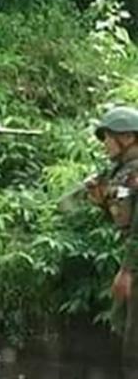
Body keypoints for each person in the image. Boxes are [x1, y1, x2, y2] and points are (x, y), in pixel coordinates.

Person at [78, 106, 138, 379]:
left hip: (134, 263)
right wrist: (102, 201)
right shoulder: (123, 172)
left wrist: (126, 270)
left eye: (108, 137)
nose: (104, 145)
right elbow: (124, 219)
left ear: (127, 137)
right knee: (123, 329)